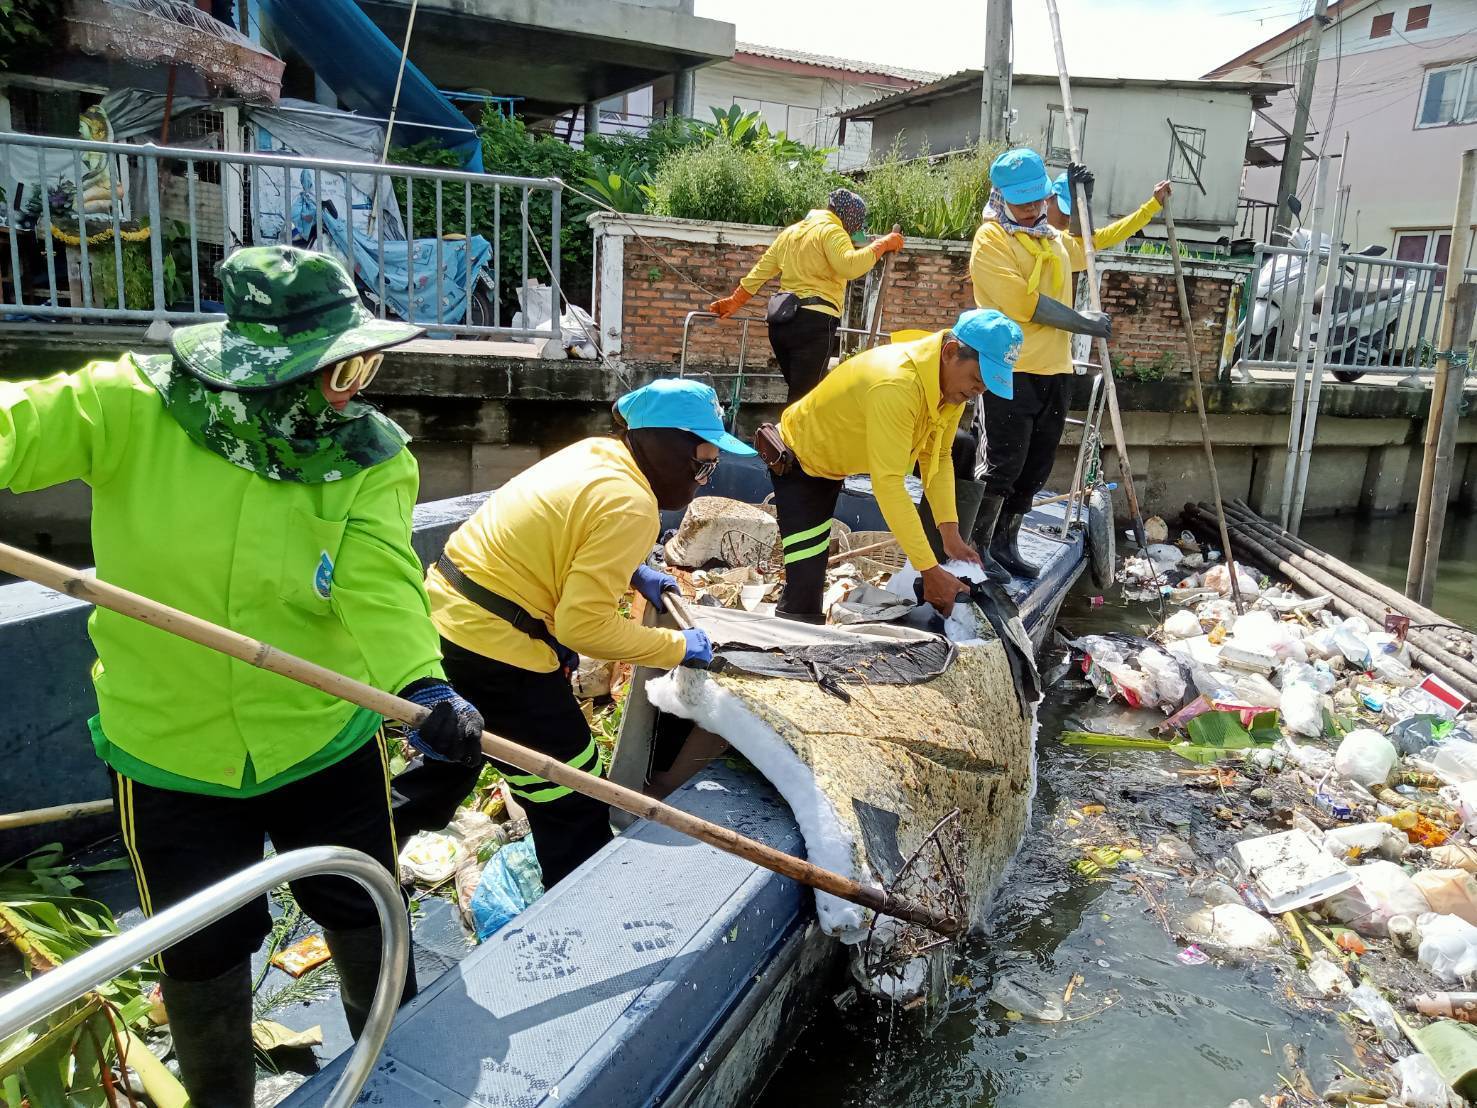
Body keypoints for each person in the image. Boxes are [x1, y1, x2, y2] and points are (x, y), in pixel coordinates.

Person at [0, 246, 487, 1107]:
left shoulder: (368, 454)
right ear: (264, 367)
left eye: (361, 367)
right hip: (168, 752)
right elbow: (16, 428)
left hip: (320, 734)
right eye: (336, 371)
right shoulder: (128, 405)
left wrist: (423, 685)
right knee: (201, 952)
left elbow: (378, 579)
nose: (350, 392)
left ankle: (393, 1068)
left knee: (364, 909)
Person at [421, 379, 755, 887]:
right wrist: (677, 646)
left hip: (451, 612)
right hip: (493, 643)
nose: (703, 481)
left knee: (457, 750)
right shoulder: (632, 504)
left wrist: (633, 570)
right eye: (701, 466)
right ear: (664, 446)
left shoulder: (597, 454)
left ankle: (376, 843)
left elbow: (571, 532)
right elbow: (584, 627)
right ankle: (580, 907)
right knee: (572, 789)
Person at [766, 308, 1023, 621]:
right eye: (977, 380)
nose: (976, 392)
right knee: (804, 599)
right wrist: (929, 570)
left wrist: (951, 535)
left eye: (984, 387)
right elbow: (888, 484)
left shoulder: (950, 388)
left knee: (962, 447)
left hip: (844, 457)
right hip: (802, 462)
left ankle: (933, 563)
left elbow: (938, 456)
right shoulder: (897, 384)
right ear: (950, 352)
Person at [967, 148, 1117, 583]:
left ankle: (1006, 544)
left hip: (1055, 369)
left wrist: (1083, 202)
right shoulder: (992, 239)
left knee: (1035, 466)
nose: (1033, 208)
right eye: (1023, 201)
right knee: (1002, 462)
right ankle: (977, 547)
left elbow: (1087, 250)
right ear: (1001, 197)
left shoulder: (1050, 237)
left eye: (1038, 199)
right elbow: (1023, 303)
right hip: (1007, 369)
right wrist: (1083, 322)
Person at [708, 188, 904, 403]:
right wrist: (883, 244)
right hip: (813, 324)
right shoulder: (832, 230)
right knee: (804, 400)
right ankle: (791, 427)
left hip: (781, 325)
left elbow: (760, 271)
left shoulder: (791, 233)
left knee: (801, 395)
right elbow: (849, 266)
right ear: (849, 216)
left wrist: (735, 301)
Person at [1046, 168, 1173, 246]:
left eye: (1072, 214)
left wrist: (1154, 204)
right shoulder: (1035, 235)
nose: (1067, 218)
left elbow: (1116, 232)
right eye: (1063, 210)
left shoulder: (1071, 242)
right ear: (1049, 199)